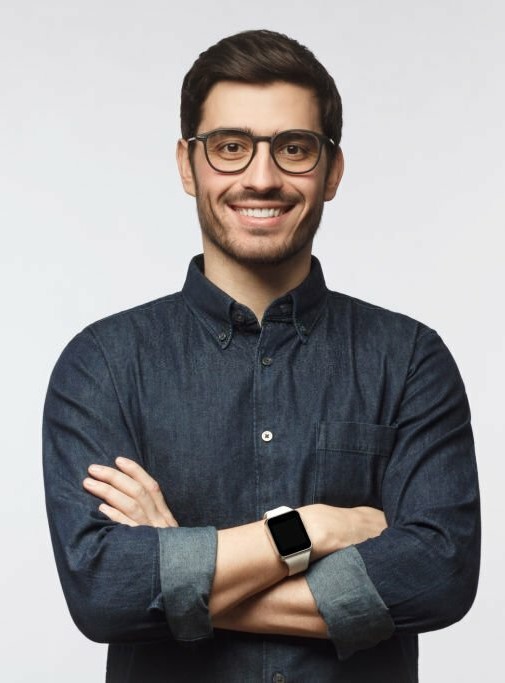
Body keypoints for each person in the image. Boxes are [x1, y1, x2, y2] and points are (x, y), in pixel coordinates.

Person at [43, 29, 480, 683]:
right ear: (187, 164)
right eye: (230, 147)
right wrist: (312, 528)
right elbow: (105, 590)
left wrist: (181, 567)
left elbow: (437, 576)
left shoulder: (410, 359)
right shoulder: (102, 365)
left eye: (293, 148)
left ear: (331, 170)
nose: (261, 177)